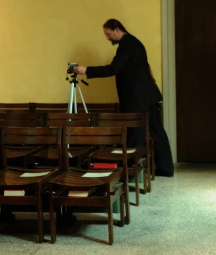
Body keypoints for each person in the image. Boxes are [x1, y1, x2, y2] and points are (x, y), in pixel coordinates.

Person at [73, 19, 175, 177]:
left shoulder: (126, 45)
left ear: (116, 30)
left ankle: (131, 172)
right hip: (147, 96)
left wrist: (86, 70)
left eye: (108, 34)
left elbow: (112, 69)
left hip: (138, 99)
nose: (107, 38)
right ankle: (165, 168)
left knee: (135, 134)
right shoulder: (133, 42)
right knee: (156, 131)